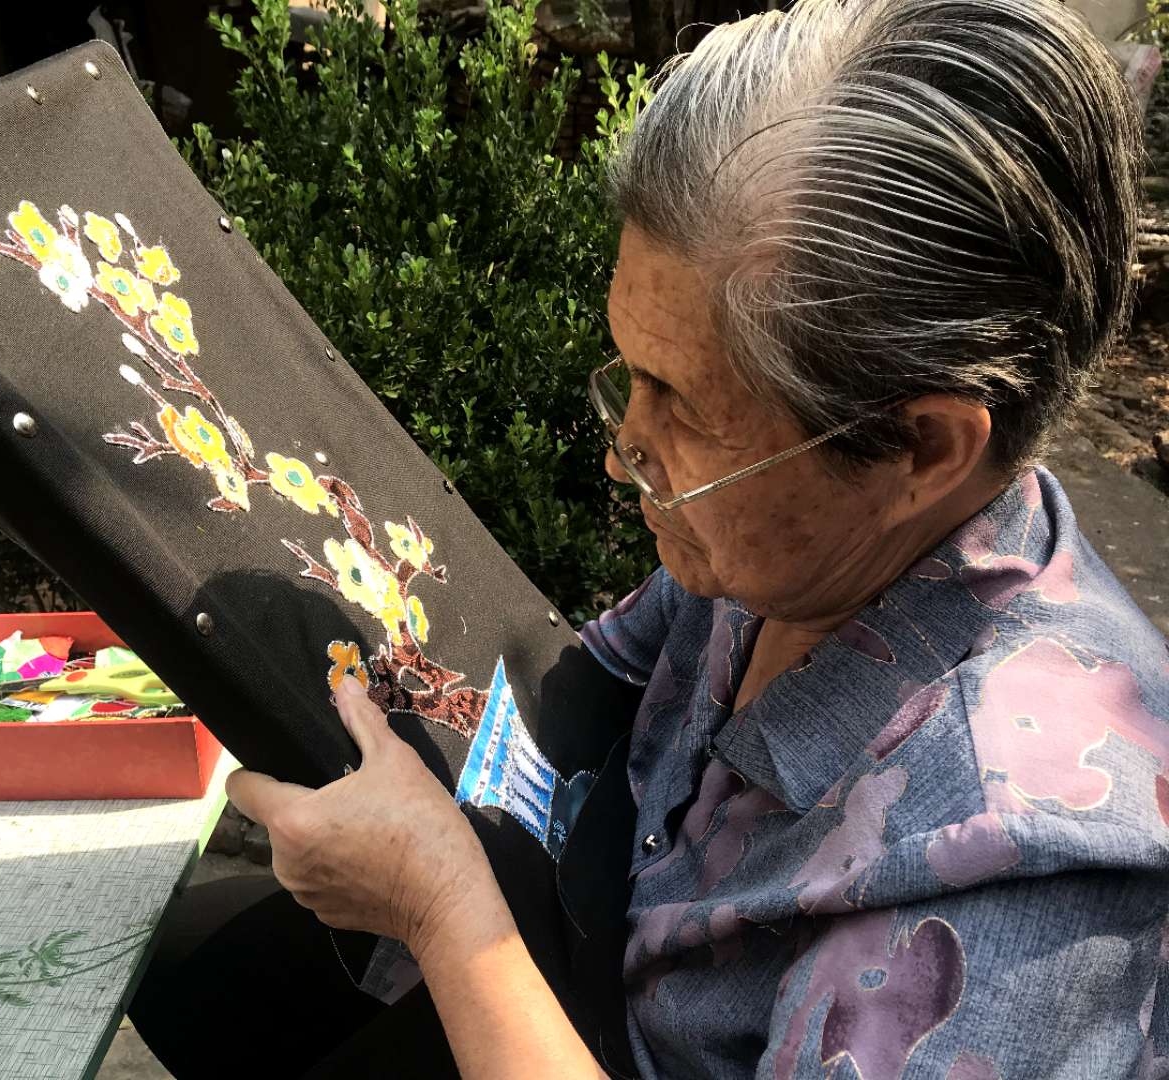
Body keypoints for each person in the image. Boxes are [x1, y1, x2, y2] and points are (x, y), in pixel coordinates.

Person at [128, 0, 1169, 1075]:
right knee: (179, 964)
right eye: (632, 373)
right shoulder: (805, 548)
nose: (625, 451)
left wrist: (444, 907)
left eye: (682, 402)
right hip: (582, 977)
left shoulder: (1015, 881)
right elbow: (582, 686)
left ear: (922, 448)